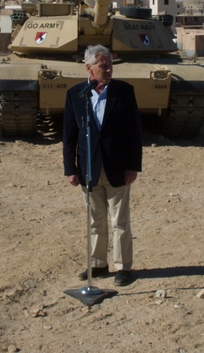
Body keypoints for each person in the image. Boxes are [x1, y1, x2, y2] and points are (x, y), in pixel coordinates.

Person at [63, 44, 143, 287]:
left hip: (118, 168)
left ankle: (123, 267)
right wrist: (70, 169)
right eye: (102, 66)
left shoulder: (124, 92)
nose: (108, 69)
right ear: (89, 68)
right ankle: (97, 264)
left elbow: (134, 132)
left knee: (120, 221)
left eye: (109, 65)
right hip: (89, 169)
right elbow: (69, 136)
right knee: (95, 220)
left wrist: (133, 166)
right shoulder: (76, 94)